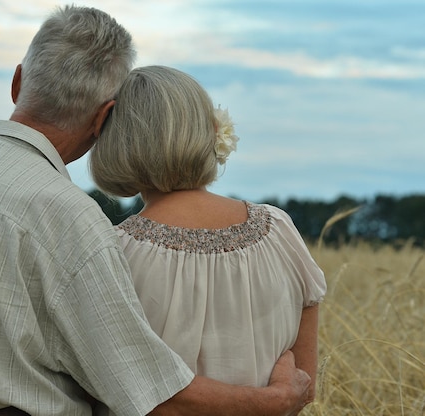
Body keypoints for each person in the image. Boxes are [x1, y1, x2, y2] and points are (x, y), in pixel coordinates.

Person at [0, 6, 311, 416]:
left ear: (18, 82)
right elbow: (150, 391)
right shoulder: (71, 215)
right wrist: (272, 402)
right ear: (106, 116)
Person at [89, 66, 327, 406]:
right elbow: (303, 388)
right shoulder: (279, 230)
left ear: (114, 140)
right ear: (210, 132)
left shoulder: (113, 251)